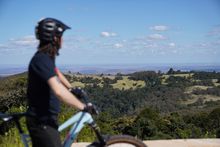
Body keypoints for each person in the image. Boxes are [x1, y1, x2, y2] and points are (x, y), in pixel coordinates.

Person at [26, 18, 89, 147]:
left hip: (47, 120)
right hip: (42, 122)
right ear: (55, 38)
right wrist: (82, 107)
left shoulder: (46, 58)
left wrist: (71, 89)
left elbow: (56, 72)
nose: (63, 40)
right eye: (61, 36)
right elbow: (59, 91)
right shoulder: (41, 60)